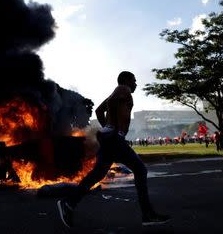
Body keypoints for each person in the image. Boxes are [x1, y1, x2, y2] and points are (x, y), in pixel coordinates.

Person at [57, 71, 170, 228]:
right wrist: (114, 129)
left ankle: (69, 203)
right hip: (114, 139)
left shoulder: (118, 92)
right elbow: (109, 104)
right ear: (126, 80)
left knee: (97, 175)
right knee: (140, 169)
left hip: (110, 139)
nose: (136, 83)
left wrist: (108, 128)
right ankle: (147, 214)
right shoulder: (123, 89)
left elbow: (98, 110)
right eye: (134, 80)